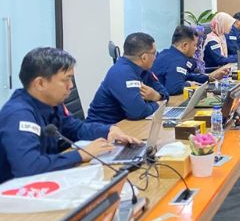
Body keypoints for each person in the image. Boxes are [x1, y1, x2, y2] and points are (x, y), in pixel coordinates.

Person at [0, 48, 140, 182]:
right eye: (66, 79)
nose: (71, 85)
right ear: (40, 83)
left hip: (45, 182)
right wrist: (80, 155)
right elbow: (28, 168)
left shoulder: (51, 103)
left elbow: (75, 128)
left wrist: (109, 130)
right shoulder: (18, 115)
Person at [87, 33, 169, 125]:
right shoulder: (122, 72)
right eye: (154, 53)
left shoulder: (144, 70)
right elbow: (138, 112)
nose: (156, 57)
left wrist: (157, 96)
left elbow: (165, 93)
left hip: (123, 125)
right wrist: (158, 104)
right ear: (144, 57)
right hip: (102, 130)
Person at [153, 25, 229, 95]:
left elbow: (187, 75)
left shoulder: (166, 53)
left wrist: (209, 77)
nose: (196, 49)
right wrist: (189, 84)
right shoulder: (177, 60)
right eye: (195, 45)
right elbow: (174, 88)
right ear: (185, 45)